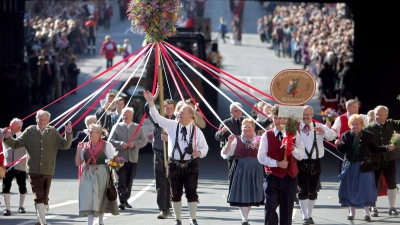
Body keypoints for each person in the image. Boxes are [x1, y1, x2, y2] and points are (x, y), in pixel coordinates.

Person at [143, 90, 209, 225]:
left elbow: (205, 148)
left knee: (192, 192)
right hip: (174, 164)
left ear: (190, 116)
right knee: (175, 194)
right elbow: (157, 118)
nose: (178, 114)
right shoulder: (171, 125)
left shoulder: (197, 131)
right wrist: (151, 102)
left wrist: (199, 153)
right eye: (178, 112)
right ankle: (178, 219)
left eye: (182, 112)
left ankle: (192, 219)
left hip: (191, 164)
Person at [1, 110, 73, 225]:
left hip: (48, 169)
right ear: (36, 120)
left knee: (44, 197)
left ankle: (39, 219)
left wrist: (68, 134)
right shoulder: (30, 131)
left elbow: (66, 145)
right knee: (38, 195)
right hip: (33, 170)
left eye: (44, 120)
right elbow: (16, 144)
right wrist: (7, 138)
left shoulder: (53, 132)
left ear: (48, 121)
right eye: (40, 119)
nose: (42, 121)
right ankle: (44, 222)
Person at [334, 114, 395, 221]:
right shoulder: (346, 135)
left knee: (365, 188)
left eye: (357, 124)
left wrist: (386, 148)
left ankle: (366, 212)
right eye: (352, 124)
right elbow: (342, 150)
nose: (355, 126)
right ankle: (352, 211)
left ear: (362, 125)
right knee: (351, 189)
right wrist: (338, 144)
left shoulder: (368, 135)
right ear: (350, 125)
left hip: (364, 166)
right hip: (350, 166)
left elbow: (375, 149)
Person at [257, 104, 305, 225]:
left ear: (286, 119)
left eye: (281, 118)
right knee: (270, 208)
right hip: (272, 177)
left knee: (287, 210)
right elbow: (261, 157)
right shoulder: (266, 135)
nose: (278, 121)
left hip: (289, 177)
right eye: (275, 118)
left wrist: (292, 148)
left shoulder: (294, 134)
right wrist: (277, 163)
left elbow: (301, 155)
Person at [221, 118, 264, 225]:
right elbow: (225, 154)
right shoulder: (236, 139)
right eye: (244, 127)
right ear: (241, 129)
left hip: (256, 169)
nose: (247, 129)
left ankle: (246, 217)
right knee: (243, 192)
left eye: (249, 127)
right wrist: (229, 143)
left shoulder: (260, 139)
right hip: (241, 169)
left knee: (251, 193)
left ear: (254, 128)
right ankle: (244, 218)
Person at [298, 106, 336, 225]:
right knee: (302, 190)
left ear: (312, 114)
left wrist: (324, 131)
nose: (306, 117)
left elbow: (333, 136)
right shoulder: (296, 127)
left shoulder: (318, 126)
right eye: (304, 114)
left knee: (313, 191)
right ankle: (305, 216)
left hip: (315, 162)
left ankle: (310, 215)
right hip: (301, 162)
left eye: (308, 114)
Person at [75, 124, 119, 225]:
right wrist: (78, 150)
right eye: (89, 131)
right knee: (88, 198)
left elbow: (113, 161)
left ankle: (100, 222)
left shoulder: (107, 145)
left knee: (100, 197)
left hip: (102, 173)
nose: (89, 133)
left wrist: (115, 163)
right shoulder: (84, 146)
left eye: (92, 131)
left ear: (99, 134)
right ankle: (90, 223)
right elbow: (78, 163)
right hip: (88, 174)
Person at [364, 105, 400, 217]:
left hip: (389, 158)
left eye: (381, 114)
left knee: (392, 182)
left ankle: (392, 207)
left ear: (387, 115)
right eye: (377, 114)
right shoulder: (368, 128)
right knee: (373, 184)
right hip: (375, 159)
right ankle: (373, 207)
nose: (378, 116)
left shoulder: (391, 124)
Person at [110, 107, 147, 210]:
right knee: (119, 181)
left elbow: (144, 141)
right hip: (117, 158)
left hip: (132, 158)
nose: (125, 117)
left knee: (129, 181)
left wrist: (134, 144)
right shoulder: (116, 126)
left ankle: (125, 199)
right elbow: (110, 140)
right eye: (123, 115)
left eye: (127, 115)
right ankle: (122, 201)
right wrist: (121, 144)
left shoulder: (138, 128)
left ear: (132, 116)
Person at [144, 97, 176, 219]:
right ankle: (163, 209)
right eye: (166, 108)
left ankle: (170, 206)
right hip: (159, 153)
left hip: (173, 155)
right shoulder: (158, 120)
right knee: (161, 182)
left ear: (174, 109)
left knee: (171, 182)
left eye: (171, 108)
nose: (168, 110)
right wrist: (154, 97)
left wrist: (170, 139)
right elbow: (147, 109)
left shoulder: (178, 121)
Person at [1, 118, 27, 216]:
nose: (9, 127)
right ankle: (7, 208)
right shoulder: (4, 133)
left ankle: (21, 206)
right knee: (6, 186)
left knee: (22, 186)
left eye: (12, 126)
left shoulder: (25, 136)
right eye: (10, 125)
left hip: (21, 165)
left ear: (19, 127)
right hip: (7, 165)